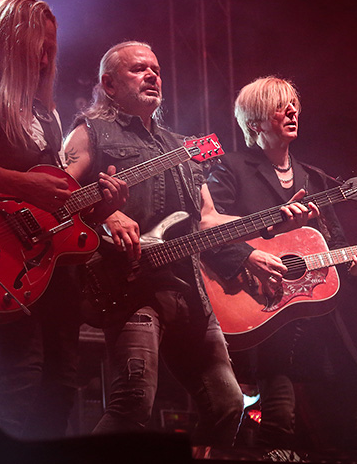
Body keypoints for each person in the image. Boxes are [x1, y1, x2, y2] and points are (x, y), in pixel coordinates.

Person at [61, 42, 314, 445]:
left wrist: (273, 221)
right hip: (130, 287)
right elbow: (57, 194)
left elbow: (208, 218)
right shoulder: (90, 132)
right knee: (133, 403)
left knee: (229, 403)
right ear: (108, 84)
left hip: (188, 289)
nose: (152, 75)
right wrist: (105, 214)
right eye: (138, 69)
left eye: (156, 69)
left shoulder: (182, 146)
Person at [0, 0, 128, 438]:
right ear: (8, 39)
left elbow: (51, 204)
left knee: (62, 381)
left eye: (53, 46)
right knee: (18, 376)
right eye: (40, 44)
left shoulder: (45, 113)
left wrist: (100, 206)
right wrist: (22, 185)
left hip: (44, 265)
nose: (47, 57)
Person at [201, 76, 357, 452]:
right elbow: (203, 234)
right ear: (254, 124)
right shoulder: (231, 168)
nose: (291, 111)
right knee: (279, 421)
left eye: (294, 104)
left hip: (316, 312)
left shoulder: (315, 179)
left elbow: (333, 246)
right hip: (263, 309)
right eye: (278, 105)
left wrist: (356, 266)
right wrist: (248, 256)